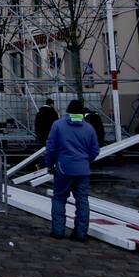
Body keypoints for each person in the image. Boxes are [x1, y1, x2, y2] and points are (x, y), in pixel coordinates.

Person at [45, 99, 100, 241]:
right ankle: (81, 233)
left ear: (67, 111)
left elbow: (50, 147)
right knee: (82, 201)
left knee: (59, 198)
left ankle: (58, 231)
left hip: (63, 168)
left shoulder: (58, 125)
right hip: (83, 170)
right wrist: (85, 161)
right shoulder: (89, 128)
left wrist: (49, 164)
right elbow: (95, 151)